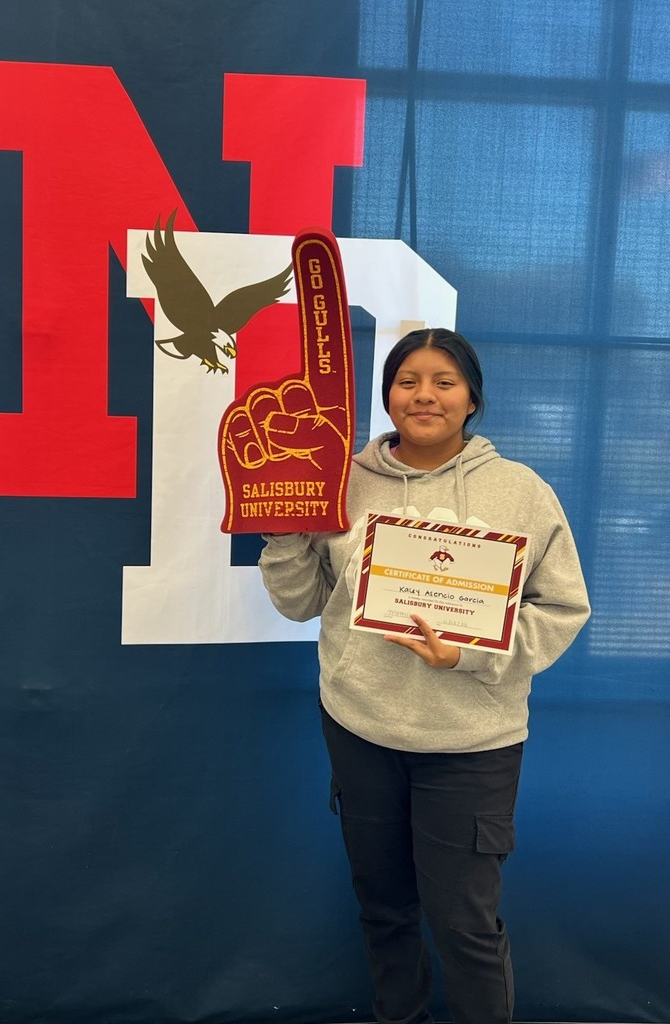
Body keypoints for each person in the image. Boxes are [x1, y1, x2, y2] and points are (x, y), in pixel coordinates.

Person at [258, 328, 590, 1024]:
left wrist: (467, 652)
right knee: (383, 910)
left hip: (472, 745)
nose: (425, 395)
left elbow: (561, 610)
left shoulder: (521, 493)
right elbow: (299, 602)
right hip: (361, 729)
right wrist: (285, 529)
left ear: (472, 397)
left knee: (465, 927)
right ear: (387, 396)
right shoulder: (337, 476)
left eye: (444, 381)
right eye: (408, 380)